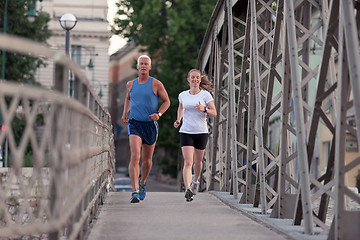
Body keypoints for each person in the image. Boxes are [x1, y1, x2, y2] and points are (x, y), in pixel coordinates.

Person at [121, 55, 170, 203]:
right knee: (135, 156)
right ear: (137, 67)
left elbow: (167, 101)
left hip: (150, 125)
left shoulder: (156, 84)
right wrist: (125, 113)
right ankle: (134, 191)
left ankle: (142, 183)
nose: (143, 66)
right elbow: (128, 99)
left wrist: (159, 114)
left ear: (150, 67)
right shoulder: (130, 84)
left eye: (146, 64)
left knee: (147, 161)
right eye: (141, 64)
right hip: (135, 123)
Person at [173, 69, 217, 202]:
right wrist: (178, 119)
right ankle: (188, 189)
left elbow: (214, 112)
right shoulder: (183, 95)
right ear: (188, 79)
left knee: (198, 163)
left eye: (197, 78)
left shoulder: (206, 95)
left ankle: (195, 181)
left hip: (201, 132)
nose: (195, 80)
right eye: (192, 77)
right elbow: (181, 107)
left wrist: (203, 109)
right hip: (186, 131)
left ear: (199, 79)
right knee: (188, 162)